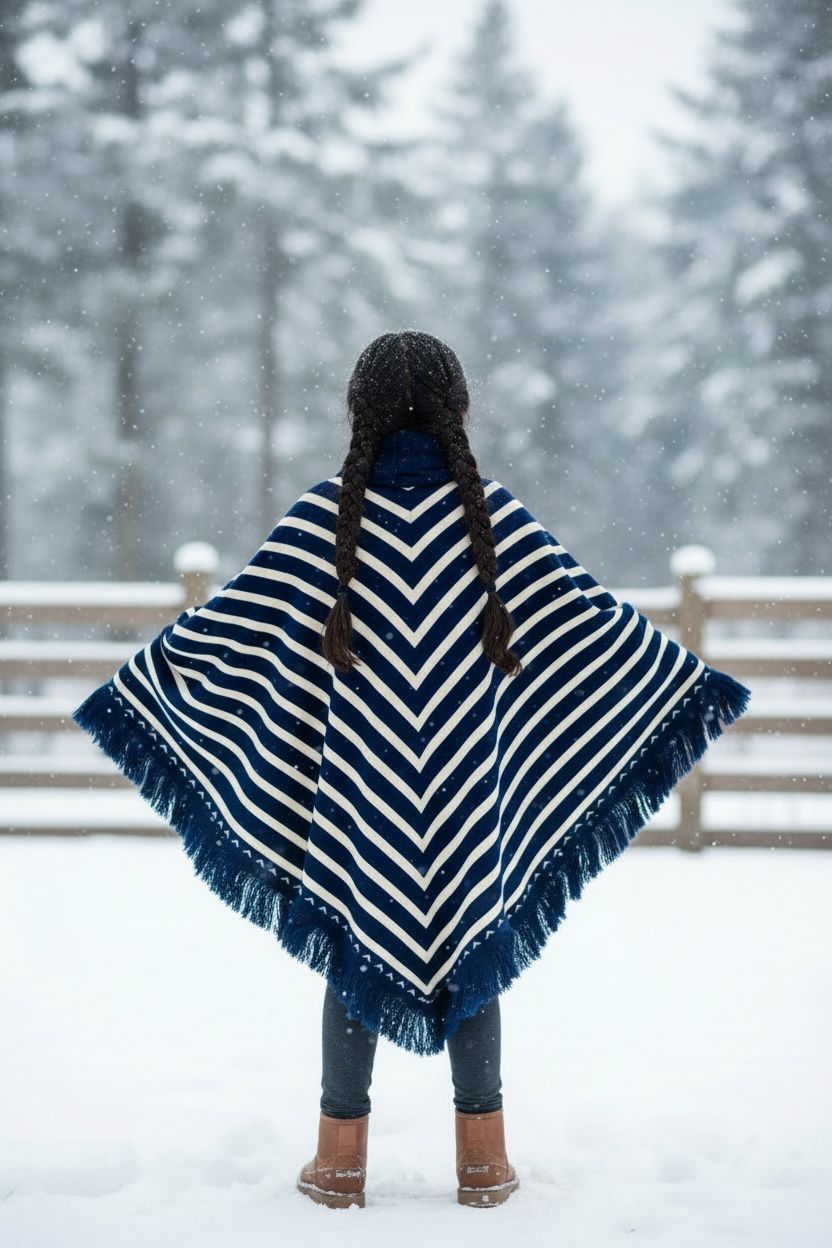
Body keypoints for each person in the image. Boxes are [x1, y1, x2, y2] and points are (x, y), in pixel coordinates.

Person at [72, 329, 750, 1212]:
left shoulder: (324, 520)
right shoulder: (495, 521)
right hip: (471, 799)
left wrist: (147, 690)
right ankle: (484, 1161)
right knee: (476, 951)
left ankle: (339, 1162)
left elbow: (231, 636)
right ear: (457, 411)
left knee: (355, 949)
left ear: (358, 412)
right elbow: (592, 632)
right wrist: (677, 686)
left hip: (357, 796)